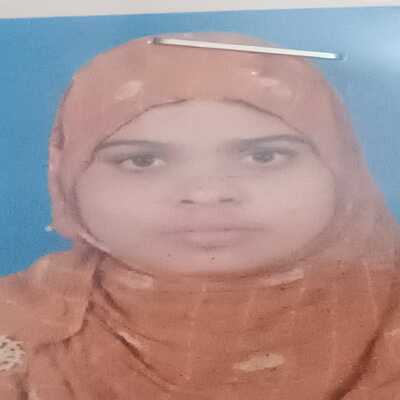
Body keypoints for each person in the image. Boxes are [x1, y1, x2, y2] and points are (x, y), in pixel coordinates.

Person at [0, 31, 399, 400]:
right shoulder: (18, 322)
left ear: (341, 168)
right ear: (68, 181)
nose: (206, 193)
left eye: (264, 156)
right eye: (142, 161)